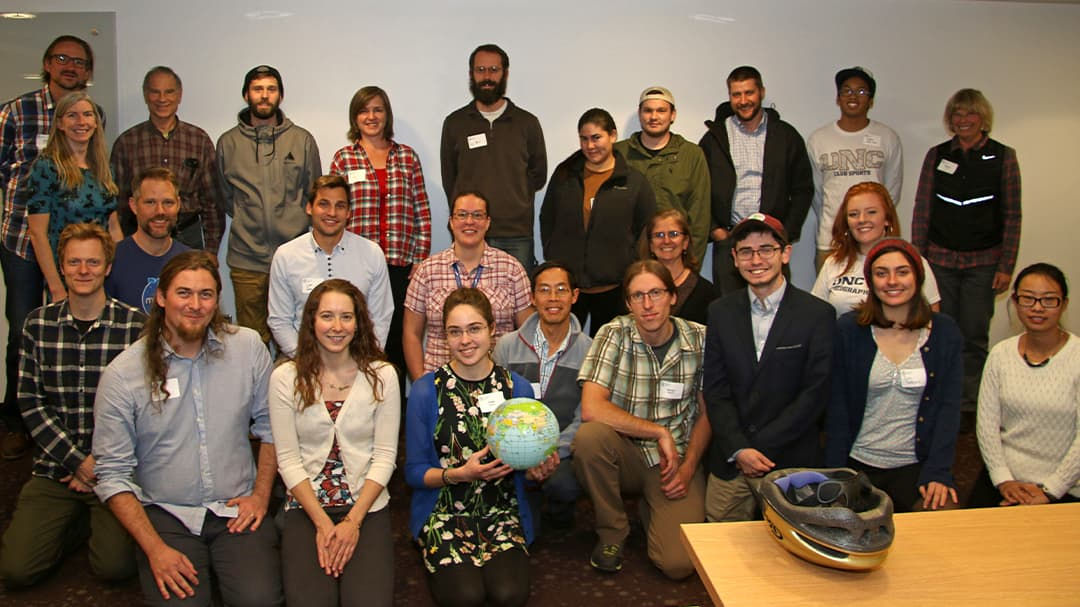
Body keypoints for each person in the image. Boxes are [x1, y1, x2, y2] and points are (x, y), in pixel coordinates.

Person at [93, 251, 283, 606]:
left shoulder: (247, 348)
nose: (195, 305)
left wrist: (260, 495)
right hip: (166, 514)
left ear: (217, 299)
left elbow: (272, 427)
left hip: (235, 508)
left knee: (259, 600)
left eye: (206, 294)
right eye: (183, 293)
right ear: (162, 297)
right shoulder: (124, 374)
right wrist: (154, 549)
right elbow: (111, 475)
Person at [0, 223, 143, 587]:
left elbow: (143, 407)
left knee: (116, 568)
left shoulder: (134, 327)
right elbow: (30, 403)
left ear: (107, 267)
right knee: (15, 572)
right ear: (61, 266)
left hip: (114, 469)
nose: (84, 271)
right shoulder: (37, 325)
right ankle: (72, 521)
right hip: (54, 467)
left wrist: (100, 463)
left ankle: (82, 521)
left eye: (93, 262)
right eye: (74, 262)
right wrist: (78, 462)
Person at [405, 288, 556, 607]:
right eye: (454, 331)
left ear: (492, 330)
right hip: (443, 512)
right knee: (465, 597)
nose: (465, 340)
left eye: (474, 328)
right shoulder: (425, 391)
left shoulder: (518, 387)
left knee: (509, 595)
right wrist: (459, 474)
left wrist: (538, 468)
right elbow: (414, 473)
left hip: (502, 511)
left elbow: (526, 467)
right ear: (444, 336)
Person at [573, 260, 709, 579]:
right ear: (628, 302)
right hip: (625, 453)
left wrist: (689, 467)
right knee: (588, 439)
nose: (647, 305)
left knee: (677, 566)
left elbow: (708, 411)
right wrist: (657, 432)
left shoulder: (700, 339)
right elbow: (592, 407)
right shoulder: (613, 333)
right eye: (637, 296)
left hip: (674, 461)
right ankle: (612, 532)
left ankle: (654, 507)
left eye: (656, 293)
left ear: (673, 296)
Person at [269, 279, 398, 606]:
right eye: (327, 316)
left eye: (346, 317)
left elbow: (384, 457)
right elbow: (288, 460)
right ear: (312, 321)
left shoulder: (382, 375)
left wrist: (353, 522)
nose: (337, 327)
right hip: (307, 506)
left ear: (359, 323)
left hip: (365, 505)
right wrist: (323, 523)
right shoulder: (286, 378)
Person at [0, 34, 96, 458]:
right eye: (62, 59)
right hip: (23, 241)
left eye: (79, 62)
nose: (70, 67)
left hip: (77, 253)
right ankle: (19, 422)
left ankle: (71, 418)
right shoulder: (15, 111)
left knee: (75, 334)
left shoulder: (94, 121)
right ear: (47, 63)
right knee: (24, 331)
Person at [703, 213, 833, 522]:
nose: (756, 259)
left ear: (785, 253)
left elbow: (815, 394)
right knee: (719, 549)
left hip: (789, 457)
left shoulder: (817, 314)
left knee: (794, 550)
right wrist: (739, 449)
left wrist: (758, 448)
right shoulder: (720, 312)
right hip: (732, 458)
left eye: (766, 249)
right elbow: (716, 390)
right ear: (734, 258)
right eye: (746, 251)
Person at [825, 238, 963, 512]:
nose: (892, 281)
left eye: (902, 272)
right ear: (870, 281)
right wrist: (835, 474)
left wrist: (938, 471)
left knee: (943, 513)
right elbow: (836, 410)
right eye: (881, 273)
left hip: (916, 465)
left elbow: (949, 409)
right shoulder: (849, 331)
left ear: (917, 276)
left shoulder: (945, 333)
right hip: (858, 464)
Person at [911, 88, 1021, 411]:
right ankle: (938, 396)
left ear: (983, 118)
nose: (963, 120)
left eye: (970, 114)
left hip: (983, 263)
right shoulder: (938, 155)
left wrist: (1006, 266)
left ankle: (969, 403)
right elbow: (922, 208)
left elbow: (1013, 215)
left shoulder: (1003, 157)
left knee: (973, 335)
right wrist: (919, 261)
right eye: (957, 114)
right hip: (940, 260)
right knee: (939, 331)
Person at [329, 86, 432, 392]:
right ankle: (359, 404)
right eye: (364, 110)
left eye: (377, 110)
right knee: (359, 337)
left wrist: (420, 259)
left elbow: (421, 210)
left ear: (386, 115)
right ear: (355, 117)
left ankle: (395, 410)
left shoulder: (406, 157)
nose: (371, 117)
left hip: (401, 267)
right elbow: (335, 212)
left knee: (399, 340)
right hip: (358, 266)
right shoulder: (344, 159)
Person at [217, 64, 322, 347]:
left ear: (280, 95)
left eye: (271, 89)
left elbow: (313, 195)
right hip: (247, 260)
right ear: (246, 95)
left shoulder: (302, 140)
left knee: (302, 338)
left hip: (295, 258)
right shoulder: (228, 143)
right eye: (258, 89)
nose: (264, 96)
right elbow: (227, 198)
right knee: (253, 342)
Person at [493, 261, 592, 534]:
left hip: (560, 454)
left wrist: (551, 453)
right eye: (544, 290)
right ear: (532, 297)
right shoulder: (507, 346)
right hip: (513, 450)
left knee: (565, 485)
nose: (553, 298)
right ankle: (527, 497)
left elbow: (584, 414)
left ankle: (558, 507)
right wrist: (522, 456)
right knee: (523, 531)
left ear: (574, 296)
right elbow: (497, 406)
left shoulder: (590, 351)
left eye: (561, 290)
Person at [540, 108, 656, 337]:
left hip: (614, 288)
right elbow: (547, 217)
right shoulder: (565, 174)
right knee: (564, 352)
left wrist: (631, 266)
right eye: (584, 139)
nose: (590, 146)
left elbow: (646, 229)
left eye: (596, 137)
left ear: (612, 136)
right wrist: (553, 253)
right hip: (570, 288)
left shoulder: (634, 182)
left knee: (609, 357)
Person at [972, 263, 1080, 507]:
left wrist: (1051, 490)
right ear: (1015, 301)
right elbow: (987, 425)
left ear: (1064, 304)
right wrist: (1003, 480)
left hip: (1066, 487)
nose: (1037, 308)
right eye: (1028, 299)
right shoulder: (1000, 354)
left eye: (1049, 300)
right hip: (1005, 481)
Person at [699, 66, 813, 294]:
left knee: (776, 312)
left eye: (749, 93)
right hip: (730, 242)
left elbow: (803, 190)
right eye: (736, 94)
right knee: (730, 313)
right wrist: (715, 230)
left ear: (761, 92)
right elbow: (699, 189)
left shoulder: (786, 136)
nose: (743, 101)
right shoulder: (715, 137)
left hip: (771, 242)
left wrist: (785, 233)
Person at [440, 43, 547, 273]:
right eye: (480, 70)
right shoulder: (455, 123)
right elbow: (450, 178)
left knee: (518, 305)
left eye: (493, 70)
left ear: (505, 74)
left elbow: (538, 175)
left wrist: (513, 198)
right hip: (470, 232)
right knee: (470, 304)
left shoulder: (527, 123)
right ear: (471, 75)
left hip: (516, 235)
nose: (487, 77)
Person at [403, 191, 532, 381]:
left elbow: (527, 333)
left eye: (477, 215)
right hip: (439, 381)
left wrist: (516, 382)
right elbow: (411, 333)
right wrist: (422, 384)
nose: (469, 221)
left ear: (488, 222)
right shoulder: (427, 271)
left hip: (498, 383)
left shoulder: (511, 269)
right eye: (462, 215)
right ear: (451, 222)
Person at [268, 174, 394, 357]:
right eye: (324, 204)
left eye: (340, 206)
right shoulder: (286, 256)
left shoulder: (372, 254)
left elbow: (381, 317)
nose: (332, 213)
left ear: (349, 212)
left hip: (357, 359)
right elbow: (279, 321)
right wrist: (307, 359)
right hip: (301, 358)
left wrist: (362, 359)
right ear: (309, 207)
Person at [111, 66, 225, 251]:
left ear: (179, 95)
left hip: (188, 236)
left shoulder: (198, 140)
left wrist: (211, 251)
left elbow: (212, 203)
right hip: (141, 237)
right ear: (146, 95)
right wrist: (124, 248)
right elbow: (119, 204)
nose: (162, 99)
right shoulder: (127, 143)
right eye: (155, 92)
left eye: (169, 92)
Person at [25, 91, 122, 304]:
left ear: (96, 122)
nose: (81, 121)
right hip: (69, 274)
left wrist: (123, 272)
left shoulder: (105, 168)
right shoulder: (47, 167)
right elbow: (38, 233)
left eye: (87, 115)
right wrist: (56, 287)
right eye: (72, 115)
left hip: (103, 272)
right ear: (59, 124)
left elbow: (113, 227)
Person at [807, 67, 903, 270]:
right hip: (831, 241)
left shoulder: (887, 137)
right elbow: (817, 195)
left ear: (871, 100)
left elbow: (891, 192)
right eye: (847, 91)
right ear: (838, 98)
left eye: (861, 91)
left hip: (875, 241)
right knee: (828, 300)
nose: (853, 96)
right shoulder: (819, 139)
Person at [812, 182, 939, 317]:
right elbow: (815, 315)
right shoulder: (833, 263)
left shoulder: (914, 261)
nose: (861, 220)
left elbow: (932, 320)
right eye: (853, 214)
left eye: (871, 212)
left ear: (887, 219)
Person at [614, 86, 711, 262]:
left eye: (661, 110)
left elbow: (700, 217)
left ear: (672, 115)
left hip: (675, 259)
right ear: (640, 114)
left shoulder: (691, 155)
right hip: (630, 261)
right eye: (648, 110)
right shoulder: (618, 154)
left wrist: (691, 264)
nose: (654, 117)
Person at [105, 167, 191, 313]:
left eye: (168, 202)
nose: (160, 211)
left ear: (178, 204)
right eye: (150, 202)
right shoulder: (111, 260)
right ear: (133, 205)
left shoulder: (190, 262)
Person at [638, 209, 719, 324]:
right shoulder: (637, 288)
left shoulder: (706, 292)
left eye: (673, 234)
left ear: (685, 242)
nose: (666, 241)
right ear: (650, 244)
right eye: (659, 235)